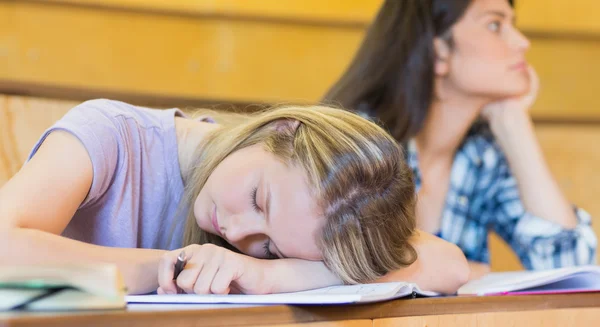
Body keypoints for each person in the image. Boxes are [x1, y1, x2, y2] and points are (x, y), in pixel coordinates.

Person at [0, 99, 469, 295]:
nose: (237, 232)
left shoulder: (265, 243)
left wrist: (267, 275)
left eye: (269, 244)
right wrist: (178, 267)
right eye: (258, 200)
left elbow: (449, 264)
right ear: (278, 130)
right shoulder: (112, 135)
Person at [323, 0, 596, 278]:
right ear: (439, 51)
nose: (522, 42)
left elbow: (571, 267)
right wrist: (463, 271)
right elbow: (351, 271)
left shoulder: (482, 154)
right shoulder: (357, 143)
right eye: (495, 25)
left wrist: (512, 121)